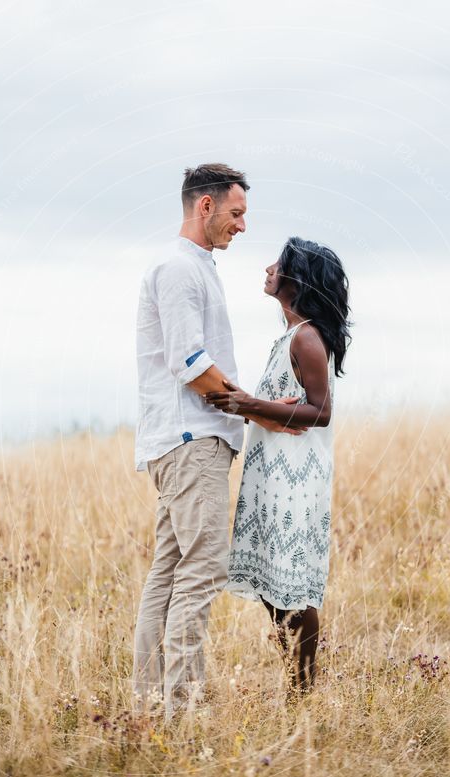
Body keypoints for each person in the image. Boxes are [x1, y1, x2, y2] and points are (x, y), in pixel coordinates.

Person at [133, 164, 303, 721]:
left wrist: (254, 411)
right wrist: (259, 410)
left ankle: (151, 702)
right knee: (202, 571)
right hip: (191, 441)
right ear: (204, 208)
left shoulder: (190, 267)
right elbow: (190, 364)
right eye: (236, 213)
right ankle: (181, 712)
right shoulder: (180, 269)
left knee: (169, 570)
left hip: (181, 440)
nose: (242, 226)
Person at [206, 237, 351, 695]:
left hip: (295, 478)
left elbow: (320, 411)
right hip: (271, 475)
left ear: (297, 279)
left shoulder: (307, 336)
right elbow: (279, 406)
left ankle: (302, 692)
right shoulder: (290, 336)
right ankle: (297, 683)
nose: (269, 267)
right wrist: (248, 406)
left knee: (291, 588)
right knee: (273, 587)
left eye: (280, 263)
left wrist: (250, 402)